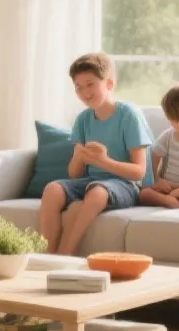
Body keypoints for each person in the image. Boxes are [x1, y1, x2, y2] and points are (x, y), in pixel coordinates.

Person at [39, 52, 154, 256]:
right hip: (91, 180)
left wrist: (104, 161)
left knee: (97, 193)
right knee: (52, 189)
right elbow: (74, 174)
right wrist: (80, 157)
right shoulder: (83, 119)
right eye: (78, 87)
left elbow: (139, 172)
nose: (84, 92)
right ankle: (43, 255)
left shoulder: (128, 115)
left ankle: (65, 253)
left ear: (109, 83)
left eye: (90, 84)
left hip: (125, 185)